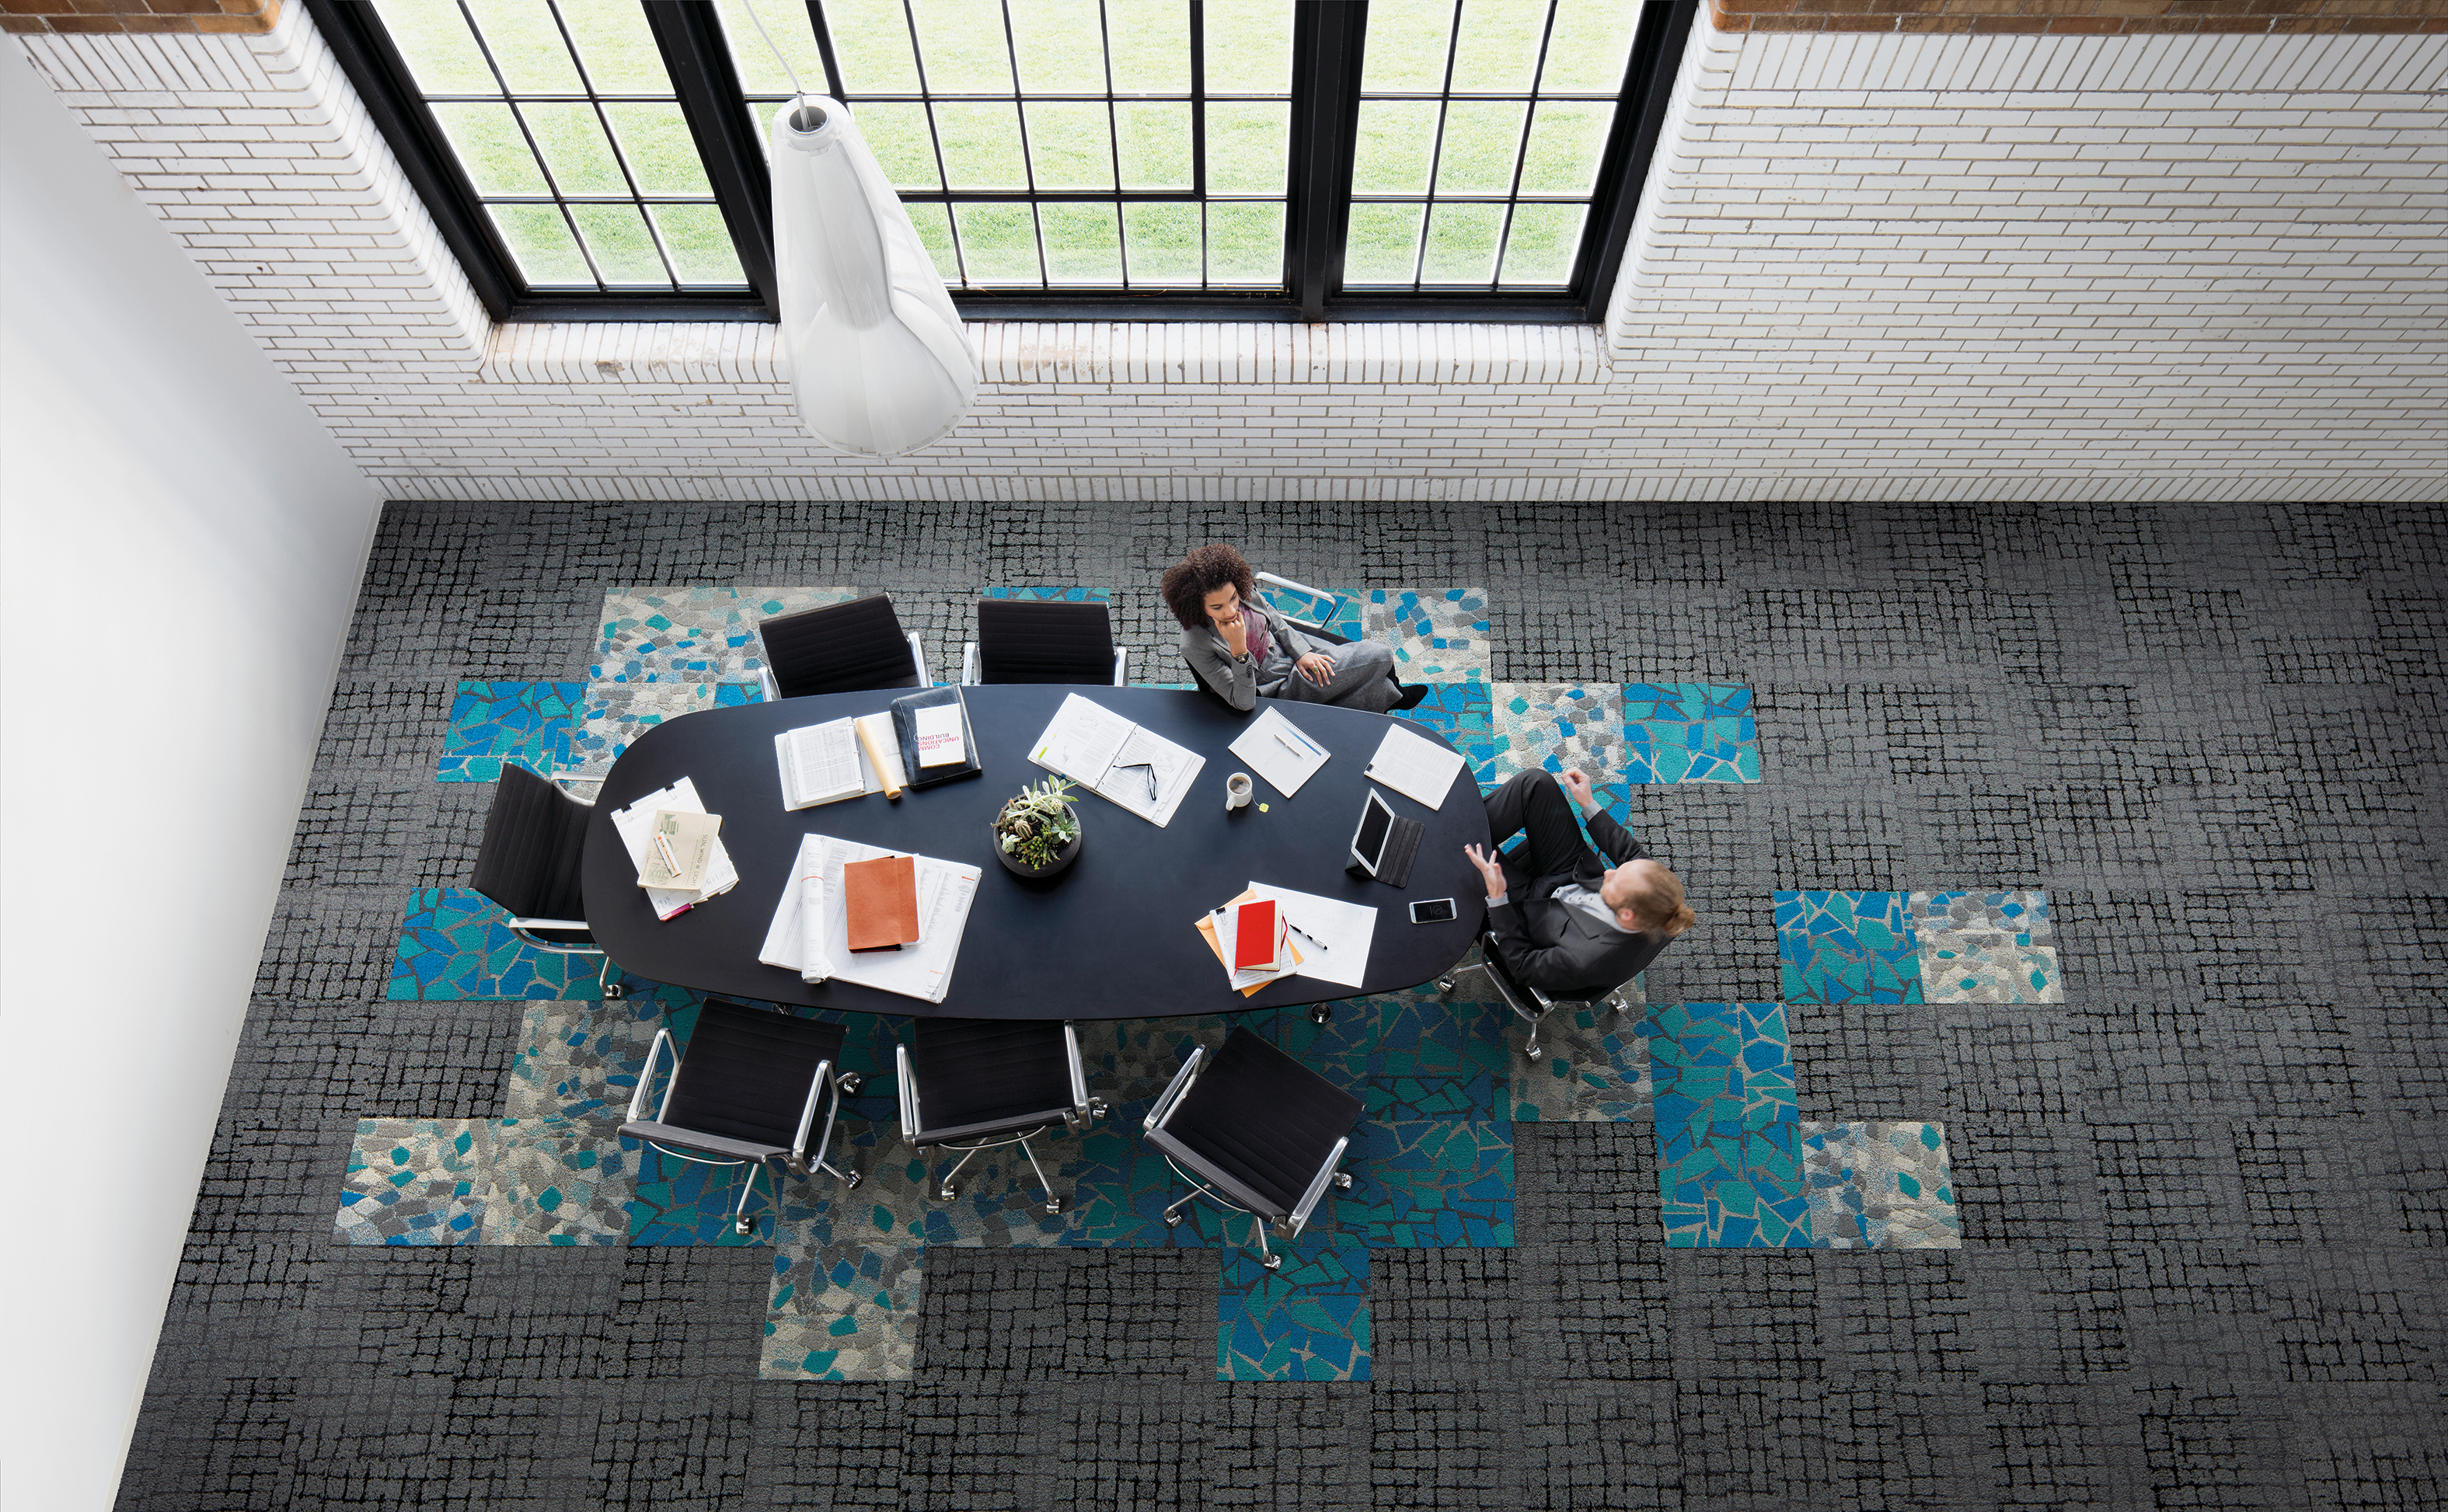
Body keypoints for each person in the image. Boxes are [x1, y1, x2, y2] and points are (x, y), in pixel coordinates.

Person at [1461, 768, 1696, 1000]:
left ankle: (1450, 829)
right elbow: (1631, 853)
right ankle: (1458, 824)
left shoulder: (1583, 958)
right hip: (1572, 873)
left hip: (1532, 915)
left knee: (1464, 847)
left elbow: (1523, 967)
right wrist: (1589, 803)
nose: (1609, 873)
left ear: (1627, 915)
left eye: (1615, 881)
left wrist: (1498, 896)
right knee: (1536, 784)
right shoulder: (1660, 897)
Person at [1160, 543, 1426, 713]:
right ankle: (1396, 696)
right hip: (1272, 685)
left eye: (1232, 600)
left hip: (1291, 648)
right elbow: (1243, 702)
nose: (1231, 611)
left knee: (1355, 668)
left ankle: (1393, 695)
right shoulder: (1195, 643)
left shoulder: (1241, 590)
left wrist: (1301, 652)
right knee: (1377, 655)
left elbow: (1275, 620)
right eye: (1217, 608)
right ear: (1196, 605)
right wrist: (1239, 650)